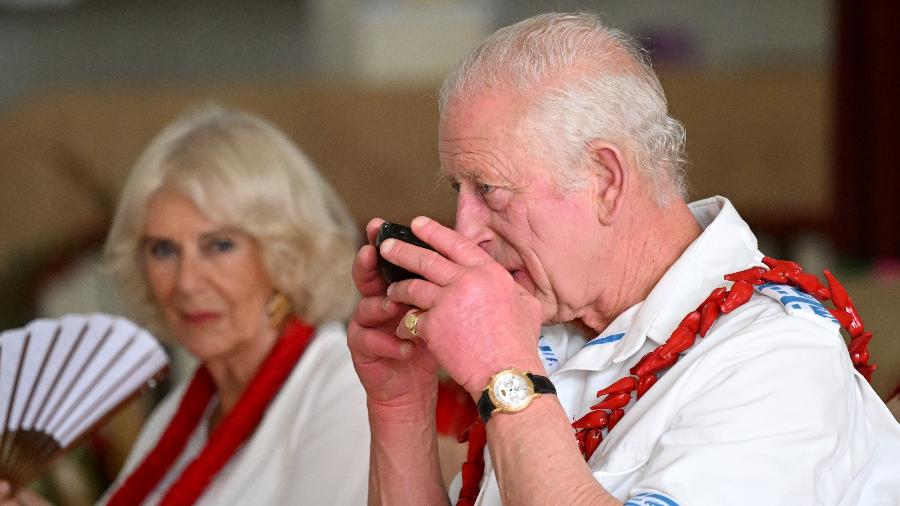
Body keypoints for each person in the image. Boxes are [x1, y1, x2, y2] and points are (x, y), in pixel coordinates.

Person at [348, 12, 900, 506]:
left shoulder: (778, 354)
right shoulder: (552, 326)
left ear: (606, 181)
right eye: (457, 190)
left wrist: (504, 374)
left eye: (489, 190)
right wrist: (402, 403)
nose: (465, 230)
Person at [2, 105, 370, 505]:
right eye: (163, 249)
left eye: (218, 246)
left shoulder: (343, 390)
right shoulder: (183, 410)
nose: (187, 282)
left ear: (284, 251)